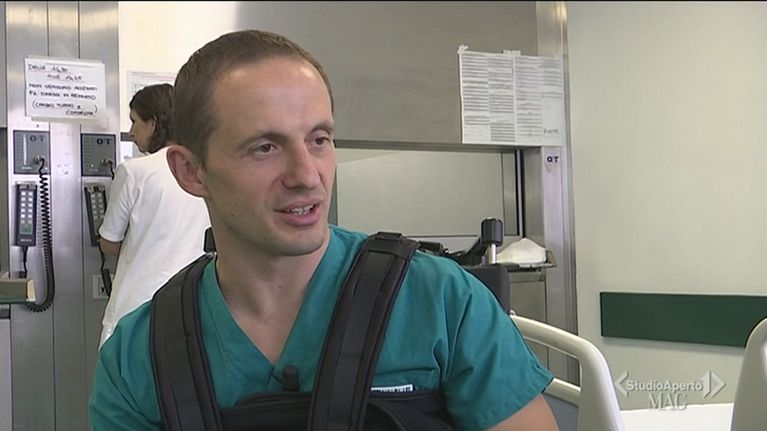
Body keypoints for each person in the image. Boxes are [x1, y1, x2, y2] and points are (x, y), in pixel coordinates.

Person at [89, 30, 558, 430]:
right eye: (265, 147)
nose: (306, 175)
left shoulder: (441, 302)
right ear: (191, 171)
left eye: (319, 140)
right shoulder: (138, 357)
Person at [97, 83, 211, 346]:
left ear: (153, 123)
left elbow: (109, 243)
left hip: (137, 307)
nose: (131, 131)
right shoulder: (204, 170)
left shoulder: (134, 171)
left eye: (135, 121)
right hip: (190, 306)